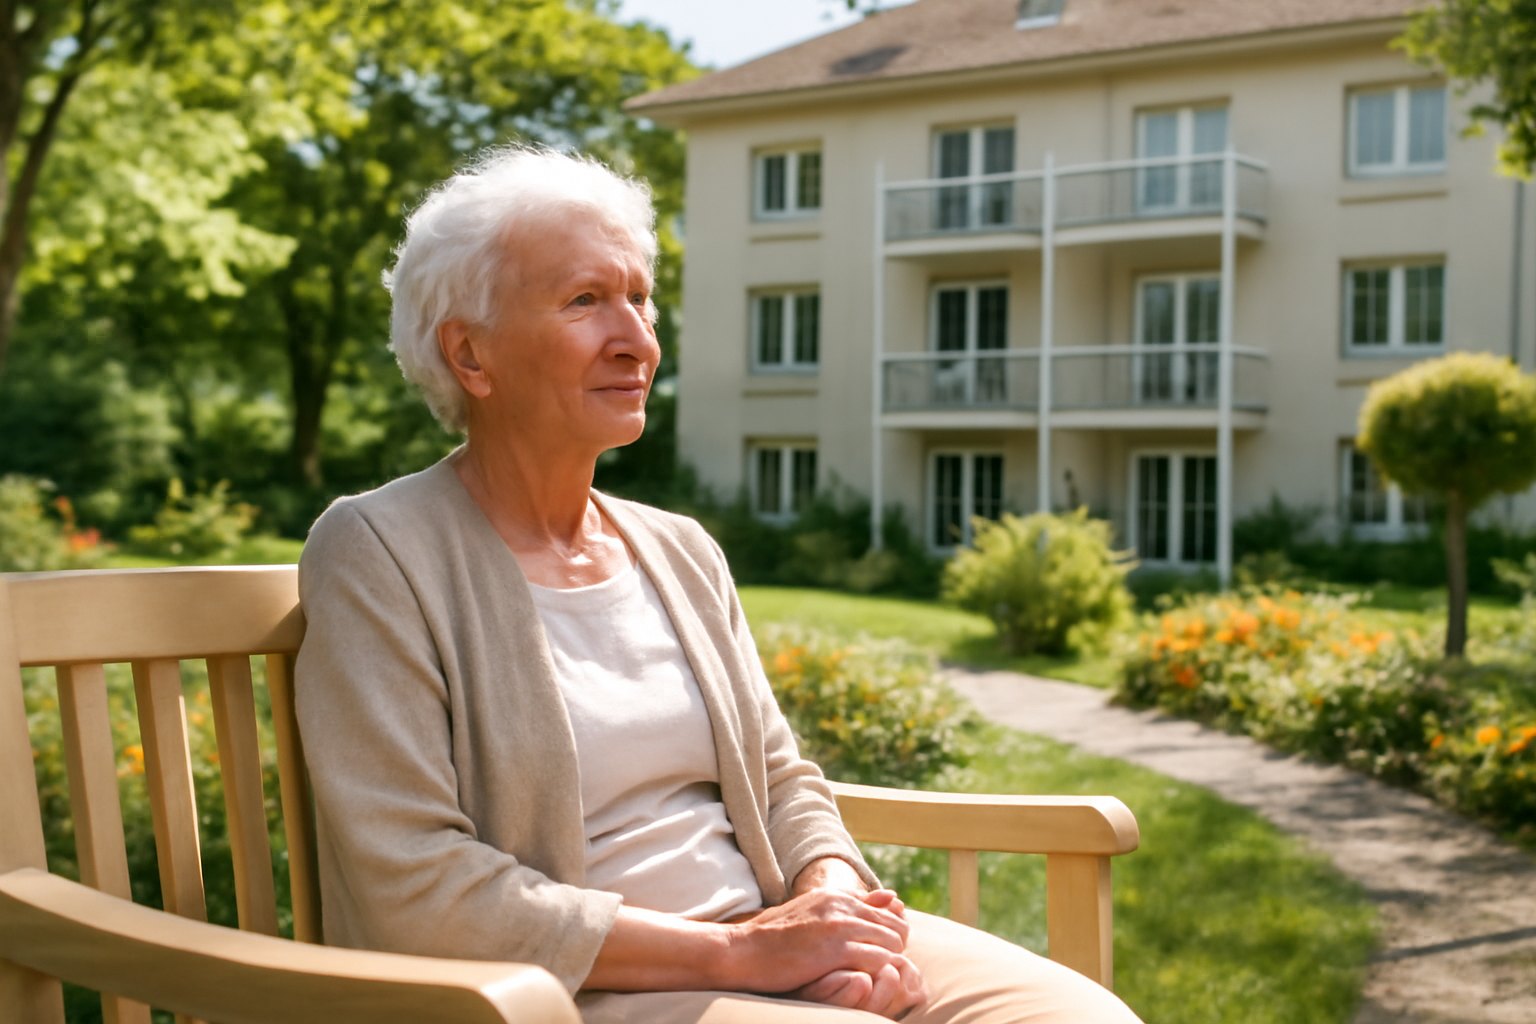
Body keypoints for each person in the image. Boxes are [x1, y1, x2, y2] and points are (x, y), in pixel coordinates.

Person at [294, 146, 1143, 1024]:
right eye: (586, 300)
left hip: (769, 939)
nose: (637, 340)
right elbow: (417, 880)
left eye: (640, 298)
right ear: (470, 355)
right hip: (567, 992)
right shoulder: (379, 551)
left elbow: (782, 782)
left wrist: (836, 911)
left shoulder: (681, 550)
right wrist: (747, 955)